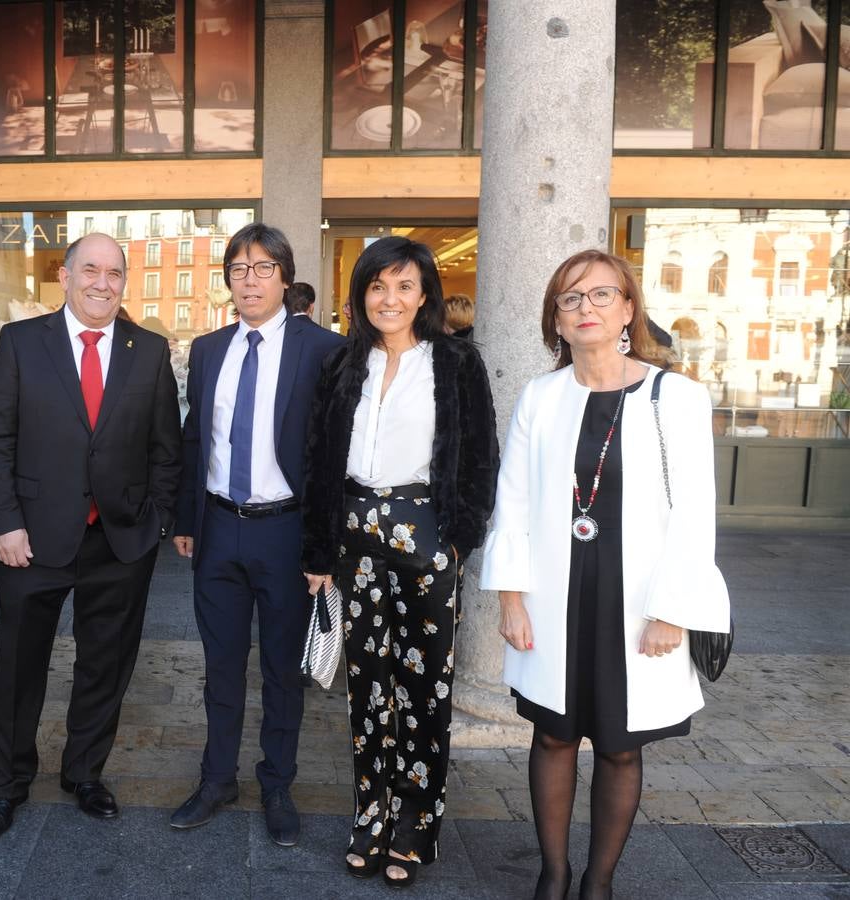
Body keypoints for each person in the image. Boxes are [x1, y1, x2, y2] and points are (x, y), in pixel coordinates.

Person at [480, 250, 731, 900]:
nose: (585, 308)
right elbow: (514, 500)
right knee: (554, 734)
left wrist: (673, 608)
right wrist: (510, 599)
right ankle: (554, 874)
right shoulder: (541, 396)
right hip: (553, 594)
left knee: (621, 747)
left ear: (627, 309)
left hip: (639, 601)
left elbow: (695, 512)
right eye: (570, 299)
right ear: (555, 321)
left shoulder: (674, 397)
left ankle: (599, 881)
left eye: (599, 295)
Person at [301, 237, 498, 887]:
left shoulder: (454, 362)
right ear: (360, 296)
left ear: (424, 295)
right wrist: (319, 549)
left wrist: (460, 538)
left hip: (425, 535)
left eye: (404, 287)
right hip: (354, 536)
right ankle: (371, 815)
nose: (391, 299)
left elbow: (479, 459)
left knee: (423, 689)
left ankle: (415, 824)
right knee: (369, 689)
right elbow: (319, 459)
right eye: (378, 287)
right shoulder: (341, 364)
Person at [0, 232, 180, 841]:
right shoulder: (20, 343)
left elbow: (167, 446)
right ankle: (7, 784)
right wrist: (4, 523)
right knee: (18, 667)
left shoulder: (149, 350)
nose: (102, 282)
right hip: (31, 540)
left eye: (114, 273)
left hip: (119, 542)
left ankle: (85, 773)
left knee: (106, 665)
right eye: (89, 269)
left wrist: (156, 521)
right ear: (63, 277)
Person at [170, 223, 343, 846]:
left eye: (263, 268)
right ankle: (216, 778)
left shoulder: (323, 349)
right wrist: (187, 518)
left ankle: (277, 783)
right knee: (219, 665)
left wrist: (323, 546)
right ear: (228, 279)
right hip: (218, 528)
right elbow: (197, 440)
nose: (250, 279)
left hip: (286, 534)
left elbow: (332, 457)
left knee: (280, 669)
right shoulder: (210, 348)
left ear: (285, 279)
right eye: (239, 269)